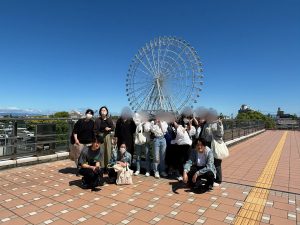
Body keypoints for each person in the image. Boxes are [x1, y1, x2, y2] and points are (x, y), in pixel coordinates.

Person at [200, 109, 224, 186]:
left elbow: (221, 134)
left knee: (217, 162)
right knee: (209, 161)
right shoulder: (206, 124)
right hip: (207, 144)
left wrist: (220, 125)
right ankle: (211, 178)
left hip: (215, 145)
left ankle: (218, 180)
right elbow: (203, 135)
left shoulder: (217, 123)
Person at [133, 112, 151, 177]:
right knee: (138, 157)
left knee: (147, 156)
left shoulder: (148, 123)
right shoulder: (138, 124)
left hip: (145, 141)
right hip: (138, 142)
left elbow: (147, 130)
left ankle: (147, 171)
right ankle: (138, 170)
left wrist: (145, 123)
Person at [151, 113, 168, 178]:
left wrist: (160, 123)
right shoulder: (153, 122)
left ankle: (162, 171)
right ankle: (156, 171)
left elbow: (164, 131)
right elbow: (152, 130)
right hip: (156, 139)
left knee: (163, 156)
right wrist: (155, 123)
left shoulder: (165, 123)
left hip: (163, 139)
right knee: (156, 156)